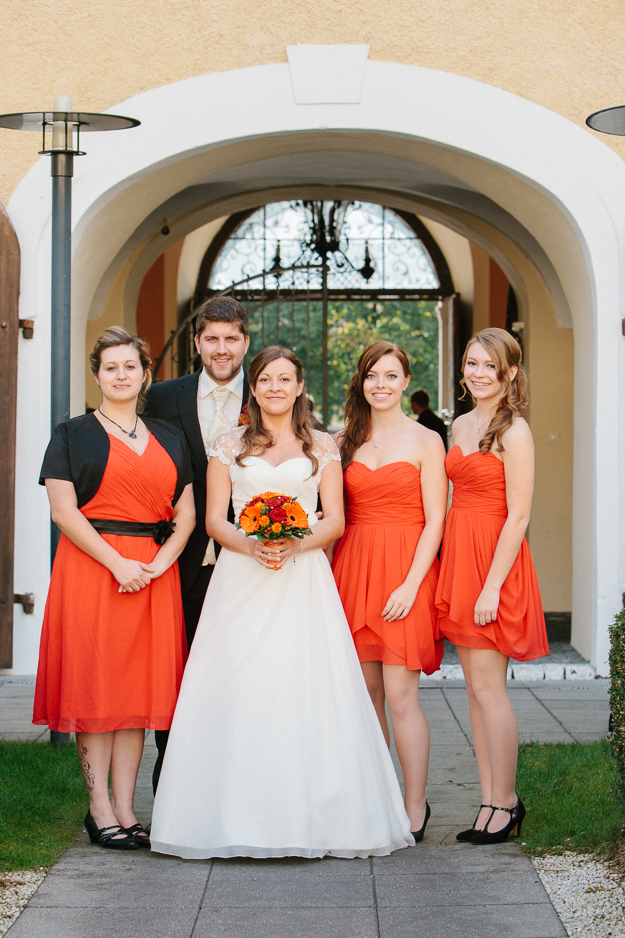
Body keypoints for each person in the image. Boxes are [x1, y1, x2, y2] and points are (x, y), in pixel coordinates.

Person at [150, 345, 413, 859]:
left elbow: (335, 519)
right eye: (265, 379)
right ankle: (228, 816)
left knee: (304, 684)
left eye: (284, 379)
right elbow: (215, 520)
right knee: (238, 684)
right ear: (254, 387)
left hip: (303, 578)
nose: (274, 387)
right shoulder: (228, 446)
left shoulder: (324, 447)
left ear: (299, 387)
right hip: (240, 577)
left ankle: (315, 816)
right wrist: (251, 545)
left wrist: (295, 542)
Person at [33, 327, 195, 850]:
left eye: (130, 366)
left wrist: (157, 564)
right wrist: (117, 563)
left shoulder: (171, 436)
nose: (121, 375)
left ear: (145, 373)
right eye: (111, 367)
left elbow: (187, 514)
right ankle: (98, 807)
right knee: (95, 687)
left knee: (138, 694)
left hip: (153, 574)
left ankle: (127, 808)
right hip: (92, 569)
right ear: (98, 374)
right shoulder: (71, 433)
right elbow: (63, 511)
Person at [435, 327, 548, 844]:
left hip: (493, 563)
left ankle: (505, 802)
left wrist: (490, 587)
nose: (478, 373)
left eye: (488, 366)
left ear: (510, 374)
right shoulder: (459, 425)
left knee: (489, 689)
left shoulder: (514, 431)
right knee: (474, 693)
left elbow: (519, 515)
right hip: (461, 555)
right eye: (471, 363)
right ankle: (488, 801)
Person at [332, 342, 447, 841]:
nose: (381, 384)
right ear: (361, 382)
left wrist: (411, 583)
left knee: (402, 697)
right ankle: (375, 797)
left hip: (407, 572)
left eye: (391, 375)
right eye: (372, 375)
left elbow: (437, 519)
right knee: (366, 696)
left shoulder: (426, 442)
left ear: (405, 381)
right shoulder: (343, 443)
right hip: (354, 570)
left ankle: (415, 804)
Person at [144, 295, 250, 789]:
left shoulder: (272, 391)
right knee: (176, 667)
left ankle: (238, 776)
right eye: (212, 338)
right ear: (197, 342)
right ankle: (172, 782)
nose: (221, 348)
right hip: (180, 556)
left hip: (250, 557)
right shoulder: (164, 398)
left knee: (244, 669)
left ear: (245, 342)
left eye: (231, 339)